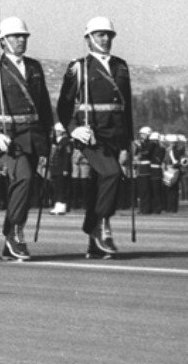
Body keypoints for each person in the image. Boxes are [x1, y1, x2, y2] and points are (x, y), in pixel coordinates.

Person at [54, 15, 135, 258]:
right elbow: (63, 106)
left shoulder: (121, 66)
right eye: (100, 34)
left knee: (98, 184)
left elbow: (126, 106)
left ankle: (93, 240)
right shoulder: (79, 67)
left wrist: (128, 142)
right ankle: (102, 225)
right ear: (89, 38)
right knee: (111, 173)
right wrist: (73, 129)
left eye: (109, 34)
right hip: (90, 134)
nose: (106, 39)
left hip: (115, 133)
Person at [0, 16, 54, 261]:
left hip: (34, 135)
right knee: (24, 178)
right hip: (9, 138)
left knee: (29, 187)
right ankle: (16, 233)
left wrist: (50, 133)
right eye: (15, 37)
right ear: (3, 41)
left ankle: (9, 237)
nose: (20, 40)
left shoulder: (34, 67)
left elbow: (43, 105)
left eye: (23, 36)